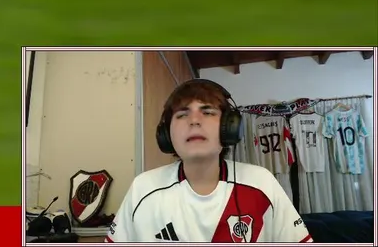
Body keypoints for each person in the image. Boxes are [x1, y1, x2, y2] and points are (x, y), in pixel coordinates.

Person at [105, 78, 312, 243]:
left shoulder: (262, 183)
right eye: (182, 115)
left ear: (230, 128)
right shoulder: (143, 188)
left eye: (207, 112)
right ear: (166, 134)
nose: (194, 120)